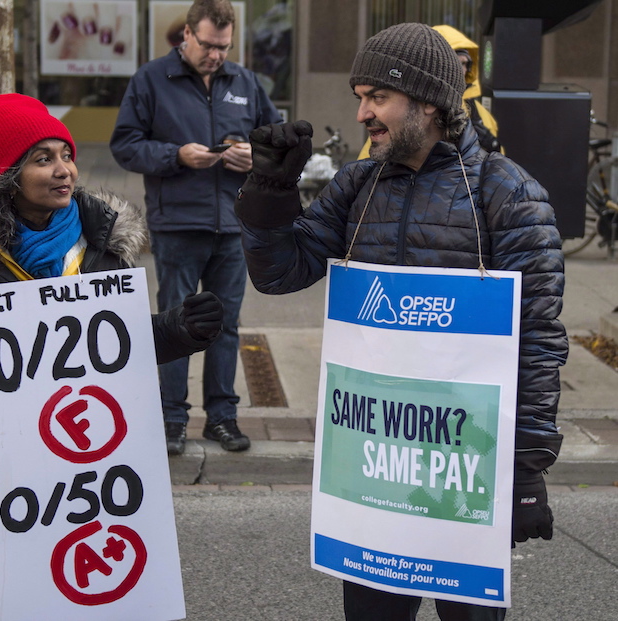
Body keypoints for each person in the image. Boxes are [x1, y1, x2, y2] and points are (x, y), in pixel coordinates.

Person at [234, 23, 567, 621]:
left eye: (376, 97)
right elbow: (279, 273)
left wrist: (525, 473)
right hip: (375, 474)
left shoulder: (508, 195)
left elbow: (538, 344)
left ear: (430, 103)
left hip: (466, 472)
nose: (361, 112)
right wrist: (270, 188)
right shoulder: (358, 185)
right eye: (358, 96)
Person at [0, 93, 224, 548]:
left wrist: (180, 329)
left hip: (82, 466)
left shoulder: (101, 245)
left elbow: (114, 349)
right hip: (1, 472)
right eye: (43, 159)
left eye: (66, 155)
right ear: (8, 177)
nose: (64, 170)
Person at [110, 0, 282, 455]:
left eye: (224, 47)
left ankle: (222, 418)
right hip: (178, 224)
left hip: (233, 224)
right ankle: (171, 419)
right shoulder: (151, 79)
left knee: (226, 325)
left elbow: (275, 140)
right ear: (187, 34)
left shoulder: (244, 82)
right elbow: (125, 146)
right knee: (176, 324)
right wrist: (176, 156)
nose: (216, 56)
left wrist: (255, 156)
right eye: (208, 45)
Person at [357, 24, 502, 160]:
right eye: (455, 62)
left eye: (464, 63)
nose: (461, 70)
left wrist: (491, 148)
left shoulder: (480, 113)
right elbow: (369, 166)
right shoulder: (355, 178)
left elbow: (496, 167)